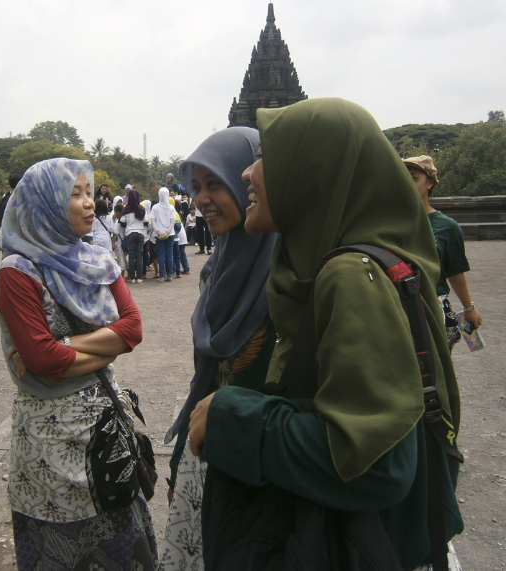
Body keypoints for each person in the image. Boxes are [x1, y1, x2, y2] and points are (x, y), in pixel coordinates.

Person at [189, 98, 464, 570]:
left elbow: (376, 465)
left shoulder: (351, 275)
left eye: (266, 158)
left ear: (314, 172)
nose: (248, 174)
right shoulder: (335, 265)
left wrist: (234, 417)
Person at [0, 158, 157, 570]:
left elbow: (133, 330)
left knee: (121, 539)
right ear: (45, 203)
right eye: (76, 194)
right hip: (49, 448)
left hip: (105, 431)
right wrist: (107, 346)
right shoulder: (17, 272)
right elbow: (43, 359)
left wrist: (61, 347)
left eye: (90, 193)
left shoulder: (98, 259)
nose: (90, 204)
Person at [159, 127, 277, 571]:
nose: (201, 199)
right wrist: (177, 464)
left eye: (215, 184)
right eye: (195, 188)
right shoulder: (216, 273)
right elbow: (203, 377)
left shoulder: (292, 278)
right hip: (207, 460)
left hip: (265, 470)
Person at [404, 155, 483, 350]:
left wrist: (468, 308)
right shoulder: (387, 222)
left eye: (413, 178)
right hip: (395, 306)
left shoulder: (447, 227)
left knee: (435, 371)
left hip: (433, 307)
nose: (406, 183)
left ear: (429, 182)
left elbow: (454, 270)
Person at [119, 188, 148, 283]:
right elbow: (146, 222)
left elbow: (122, 223)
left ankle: (132, 278)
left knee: (131, 256)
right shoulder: (142, 209)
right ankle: (139, 277)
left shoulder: (126, 209)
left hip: (130, 233)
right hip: (140, 234)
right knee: (139, 255)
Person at [150, 189, 177, 282]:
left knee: (161, 254)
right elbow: (173, 220)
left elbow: (152, 220)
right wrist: (168, 231)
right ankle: (169, 275)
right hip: (170, 234)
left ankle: (161, 276)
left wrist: (158, 231)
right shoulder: (171, 208)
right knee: (169, 254)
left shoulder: (155, 207)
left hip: (159, 234)